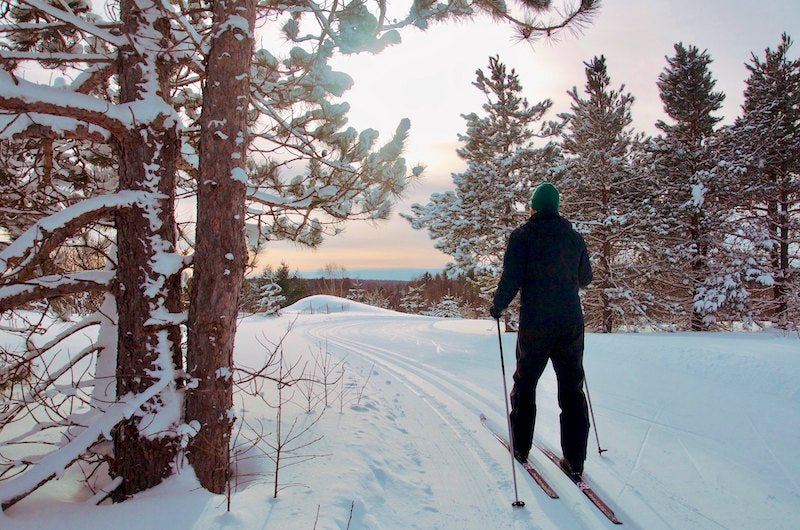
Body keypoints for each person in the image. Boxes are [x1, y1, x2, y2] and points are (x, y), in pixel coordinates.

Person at [489, 182, 592, 479]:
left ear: (535, 207)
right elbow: (585, 278)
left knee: (525, 383)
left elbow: (511, 278)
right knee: (572, 389)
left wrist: (498, 307)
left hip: (536, 323)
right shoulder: (574, 239)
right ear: (556, 208)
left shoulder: (523, 237)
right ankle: (575, 460)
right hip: (571, 323)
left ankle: (520, 447)